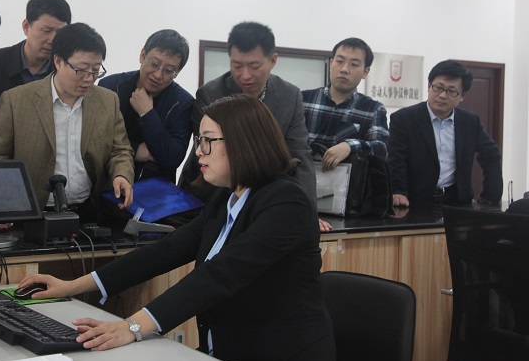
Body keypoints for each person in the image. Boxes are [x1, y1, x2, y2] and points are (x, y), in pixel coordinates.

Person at [18, 95, 336, 361]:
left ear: (243, 142)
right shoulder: (226, 198)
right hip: (226, 356)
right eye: (199, 140)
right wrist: (72, 286)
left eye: (208, 141)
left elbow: (220, 274)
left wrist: (132, 327)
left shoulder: (287, 203)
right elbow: (165, 251)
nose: (198, 151)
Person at [0, 22, 134, 214]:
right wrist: (3, 203)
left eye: (95, 70)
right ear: (58, 61)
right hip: (33, 210)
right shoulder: (16, 100)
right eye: (81, 69)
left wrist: (122, 175)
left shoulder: (107, 100)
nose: (89, 78)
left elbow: (120, 150)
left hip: (89, 209)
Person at [179, 22, 316, 206]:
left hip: (267, 194)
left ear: (272, 61)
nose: (245, 75)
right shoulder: (211, 94)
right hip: (212, 192)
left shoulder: (289, 96)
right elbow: (210, 154)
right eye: (237, 66)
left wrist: (308, 209)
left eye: (254, 66)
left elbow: (300, 155)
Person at [388, 59, 503, 212]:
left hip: (458, 202)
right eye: (438, 88)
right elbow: (396, 159)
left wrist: (490, 195)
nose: (442, 95)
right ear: (429, 86)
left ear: (463, 95)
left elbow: (491, 153)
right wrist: (398, 190)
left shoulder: (469, 121)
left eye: (451, 91)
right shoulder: (404, 119)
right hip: (413, 202)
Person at [302, 38, 388, 231]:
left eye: (354, 64)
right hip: (301, 196)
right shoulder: (303, 99)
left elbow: (381, 148)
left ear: (366, 72)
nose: (344, 69)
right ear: (331, 62)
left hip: (347, 205)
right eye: (340, 61)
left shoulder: (373, 109)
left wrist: (350, 146)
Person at [98, 29, 194, 182]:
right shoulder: (110, 87)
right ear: (142, 55)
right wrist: (136, 150)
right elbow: (97, 139)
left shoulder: (183, 103)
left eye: (169, 70)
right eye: (154, 64)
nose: (158, 75)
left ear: (178, 72)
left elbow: (173, 157)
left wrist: (147, 114)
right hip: (107, 183)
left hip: (155, 190)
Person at [0, 0, 71, 107]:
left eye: (60, 33)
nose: (52, 40)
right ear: (26, 27)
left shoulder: (65, 72)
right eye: (46, 30)